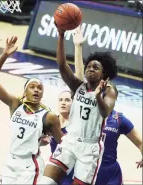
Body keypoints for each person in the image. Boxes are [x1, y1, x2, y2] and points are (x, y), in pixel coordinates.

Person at [39, 22, 118, 185]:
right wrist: (61, 36)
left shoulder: (109, 91)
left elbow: (105, 113)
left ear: (105, 73)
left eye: (95, 67)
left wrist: (97, 97)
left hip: (90, 149)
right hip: (70, 141)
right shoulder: (77, 86)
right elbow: (62, 65)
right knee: (45, 182)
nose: (90, 69)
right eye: (88, 66)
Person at [0, 36, 64, 185]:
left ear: (42, 94)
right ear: (24, 92)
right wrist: (4, 55)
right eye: (32, 87)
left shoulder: (49, 117)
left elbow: (64, 145)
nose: (36, 90)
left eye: (39, 88)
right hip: (11, 161)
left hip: (30, 166)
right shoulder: (15, 104)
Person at [73, 26, 143, 185]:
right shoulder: (85, 113)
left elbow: (140, 142)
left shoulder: (118, 120)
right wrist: (78, 47)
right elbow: (78, 77)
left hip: (110, 174)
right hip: (86, 170)